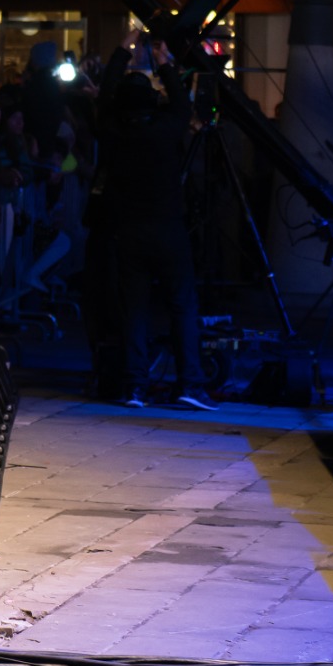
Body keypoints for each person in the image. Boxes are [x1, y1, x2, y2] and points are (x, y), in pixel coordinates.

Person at [92, 30, 215, 410]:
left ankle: (135, 387)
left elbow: (104, 97)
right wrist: (162, 58)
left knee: (135, 310)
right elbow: (180, 101)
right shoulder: (167, 129)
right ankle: (190, 384)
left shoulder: (112, 131)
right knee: (182, 305)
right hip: (168, 228)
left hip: (129, 230)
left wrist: (121, 50)